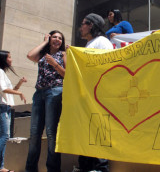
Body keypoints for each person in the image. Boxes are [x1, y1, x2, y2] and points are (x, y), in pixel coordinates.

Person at [74, 13, 112, 172]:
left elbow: (107, 67)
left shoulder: (102, 42)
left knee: (98, 133)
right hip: (87, 96)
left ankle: (100, 168)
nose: (80, 27)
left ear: (91, 25)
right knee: (86, 134)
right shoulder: (90, 44)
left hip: (98, 96)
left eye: (83, 23)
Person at [26, 30, 66, 172]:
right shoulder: (43, 55)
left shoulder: (63, 54)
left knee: (51, 132)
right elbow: (30, 55)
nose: (57, 40)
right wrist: (44, 42)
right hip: (39, 94)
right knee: (35, 132)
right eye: (54, 37)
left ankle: (53, 169)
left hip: (55, 92)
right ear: (49, 38)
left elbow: (67, 74)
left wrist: (55, 63)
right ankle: (30, 169)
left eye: (60, 38)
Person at [0, 50, 27, 172]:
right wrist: (20, 92)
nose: (11, 59)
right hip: (2, 107)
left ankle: (1, 166)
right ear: (3, 59)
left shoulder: (3, 73)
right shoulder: (0, 72)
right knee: (5, 135)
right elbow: (4, 89)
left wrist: (20, 84)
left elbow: (11, 90)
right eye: (9, 57)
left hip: (6, 107)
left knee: (4, 136)